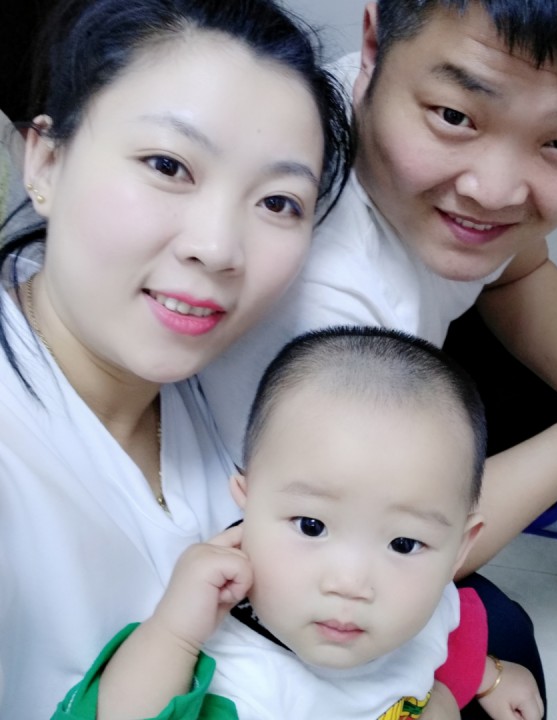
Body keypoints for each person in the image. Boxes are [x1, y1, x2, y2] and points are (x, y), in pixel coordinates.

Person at [200, 0, 557, 566]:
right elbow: (366, 546)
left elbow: (519, 273)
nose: (495, 193)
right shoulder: (320, 299)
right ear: (375, 44)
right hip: (298, 522)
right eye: (454, 116)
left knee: (547, 329)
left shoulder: (383, 81)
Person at [0, 0, 354, 716]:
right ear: (46, 160)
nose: (218, 248)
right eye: (168, 165)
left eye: (278, 203)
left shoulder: (237, 382)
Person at [54, 327, 545, 720]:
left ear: (459, 547)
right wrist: (174, 633)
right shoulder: (229, 673)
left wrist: (485, 677)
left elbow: (437, 639)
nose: (350, 583)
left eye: (402, 543)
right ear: (247, 502)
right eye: (311, 526)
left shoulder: (423, 602)